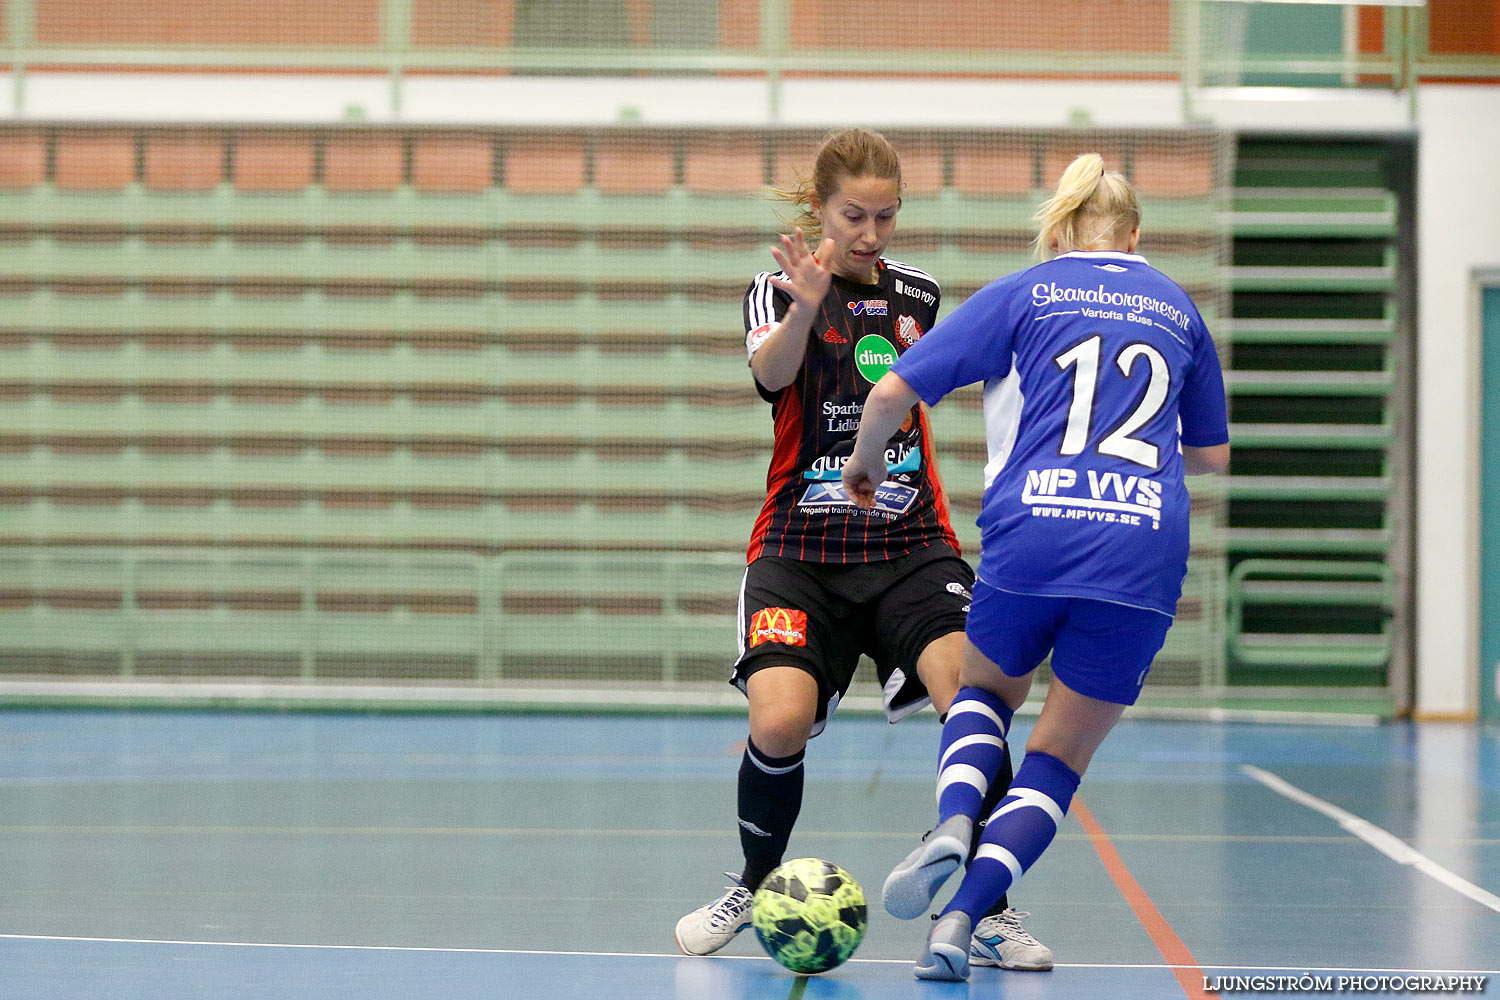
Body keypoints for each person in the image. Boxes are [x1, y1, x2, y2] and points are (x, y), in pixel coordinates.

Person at [841, 152, 1230, 981]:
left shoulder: (1027, 291)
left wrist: (866, 467)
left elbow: (888, 396)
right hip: (1141, 551)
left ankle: (953, 820)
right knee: (1057, 759)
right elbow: (1212, 454)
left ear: (1059, 230)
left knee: (984, 693)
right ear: (1136, 237)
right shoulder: (1178, 308)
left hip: (1034, 531)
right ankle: (960, 921)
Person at [673, 127, 1051, 971]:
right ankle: (757, 879)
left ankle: (983, 903)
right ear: (820, 209)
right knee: (778, 721)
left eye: (887, 217)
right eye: (855, 216)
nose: (872, 234)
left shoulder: (917, 294)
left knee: (975, 698)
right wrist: (807, 305)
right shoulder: (774, 292)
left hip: (911, 545)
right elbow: (772, 379)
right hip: (798, 552)